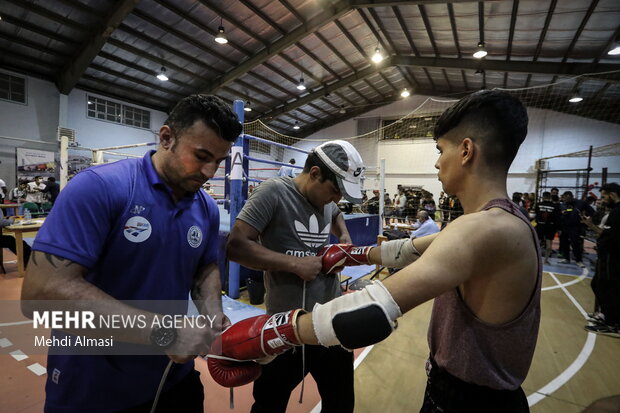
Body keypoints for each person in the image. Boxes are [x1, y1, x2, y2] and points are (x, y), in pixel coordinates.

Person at [212, 90, 540, 413]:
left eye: (440, 150)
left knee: (338, 400)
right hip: (461, 388)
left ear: (466, 150)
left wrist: (266, 334)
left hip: (472, 399)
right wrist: (349, 253)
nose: (438, 162)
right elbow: (408, 250)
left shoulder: (486, 229)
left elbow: (375, 306)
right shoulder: (490, 223)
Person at [21, 95, 243, 412]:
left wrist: (212, 314)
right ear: (167, 138)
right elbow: (40, 295)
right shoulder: (100, 187)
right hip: (95, 388)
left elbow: (205, 267)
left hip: (173, 380)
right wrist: (165, 333)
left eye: (218, 161)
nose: (210, 171)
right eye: (201, 156)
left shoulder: (205, 207)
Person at [226, 140, 365, 413]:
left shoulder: (327, 199)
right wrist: (294, 264)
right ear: (314, 173)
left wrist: (344, 238)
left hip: (329, 322)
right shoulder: (274, 192)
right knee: (269, 404)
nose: (336, 199)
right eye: (335, 190)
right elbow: (235, 246)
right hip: (284, 328)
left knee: (341, 404)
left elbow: (335, 212)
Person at [582, 183, 620, 337]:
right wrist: (590, 224)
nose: (603, 200)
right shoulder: (614, 212)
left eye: (604, 196)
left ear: (612, 194)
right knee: (598, 284)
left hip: (613, 257)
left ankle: (612, 323)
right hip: (607, 256)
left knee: (608, 288)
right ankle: (608, 316)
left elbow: (613, 238)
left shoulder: (618, 212)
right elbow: (606, 233)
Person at [535, 191, 560, 264]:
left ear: (543, 197)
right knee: (549, 245)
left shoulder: (538, 204)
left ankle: (536, 259)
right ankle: (545, 260)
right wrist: (558, 228)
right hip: (550, 226)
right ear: (550, 197)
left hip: (540, 225)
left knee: (537, 243)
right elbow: (557, 218)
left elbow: (536, 214)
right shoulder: (555, 206)